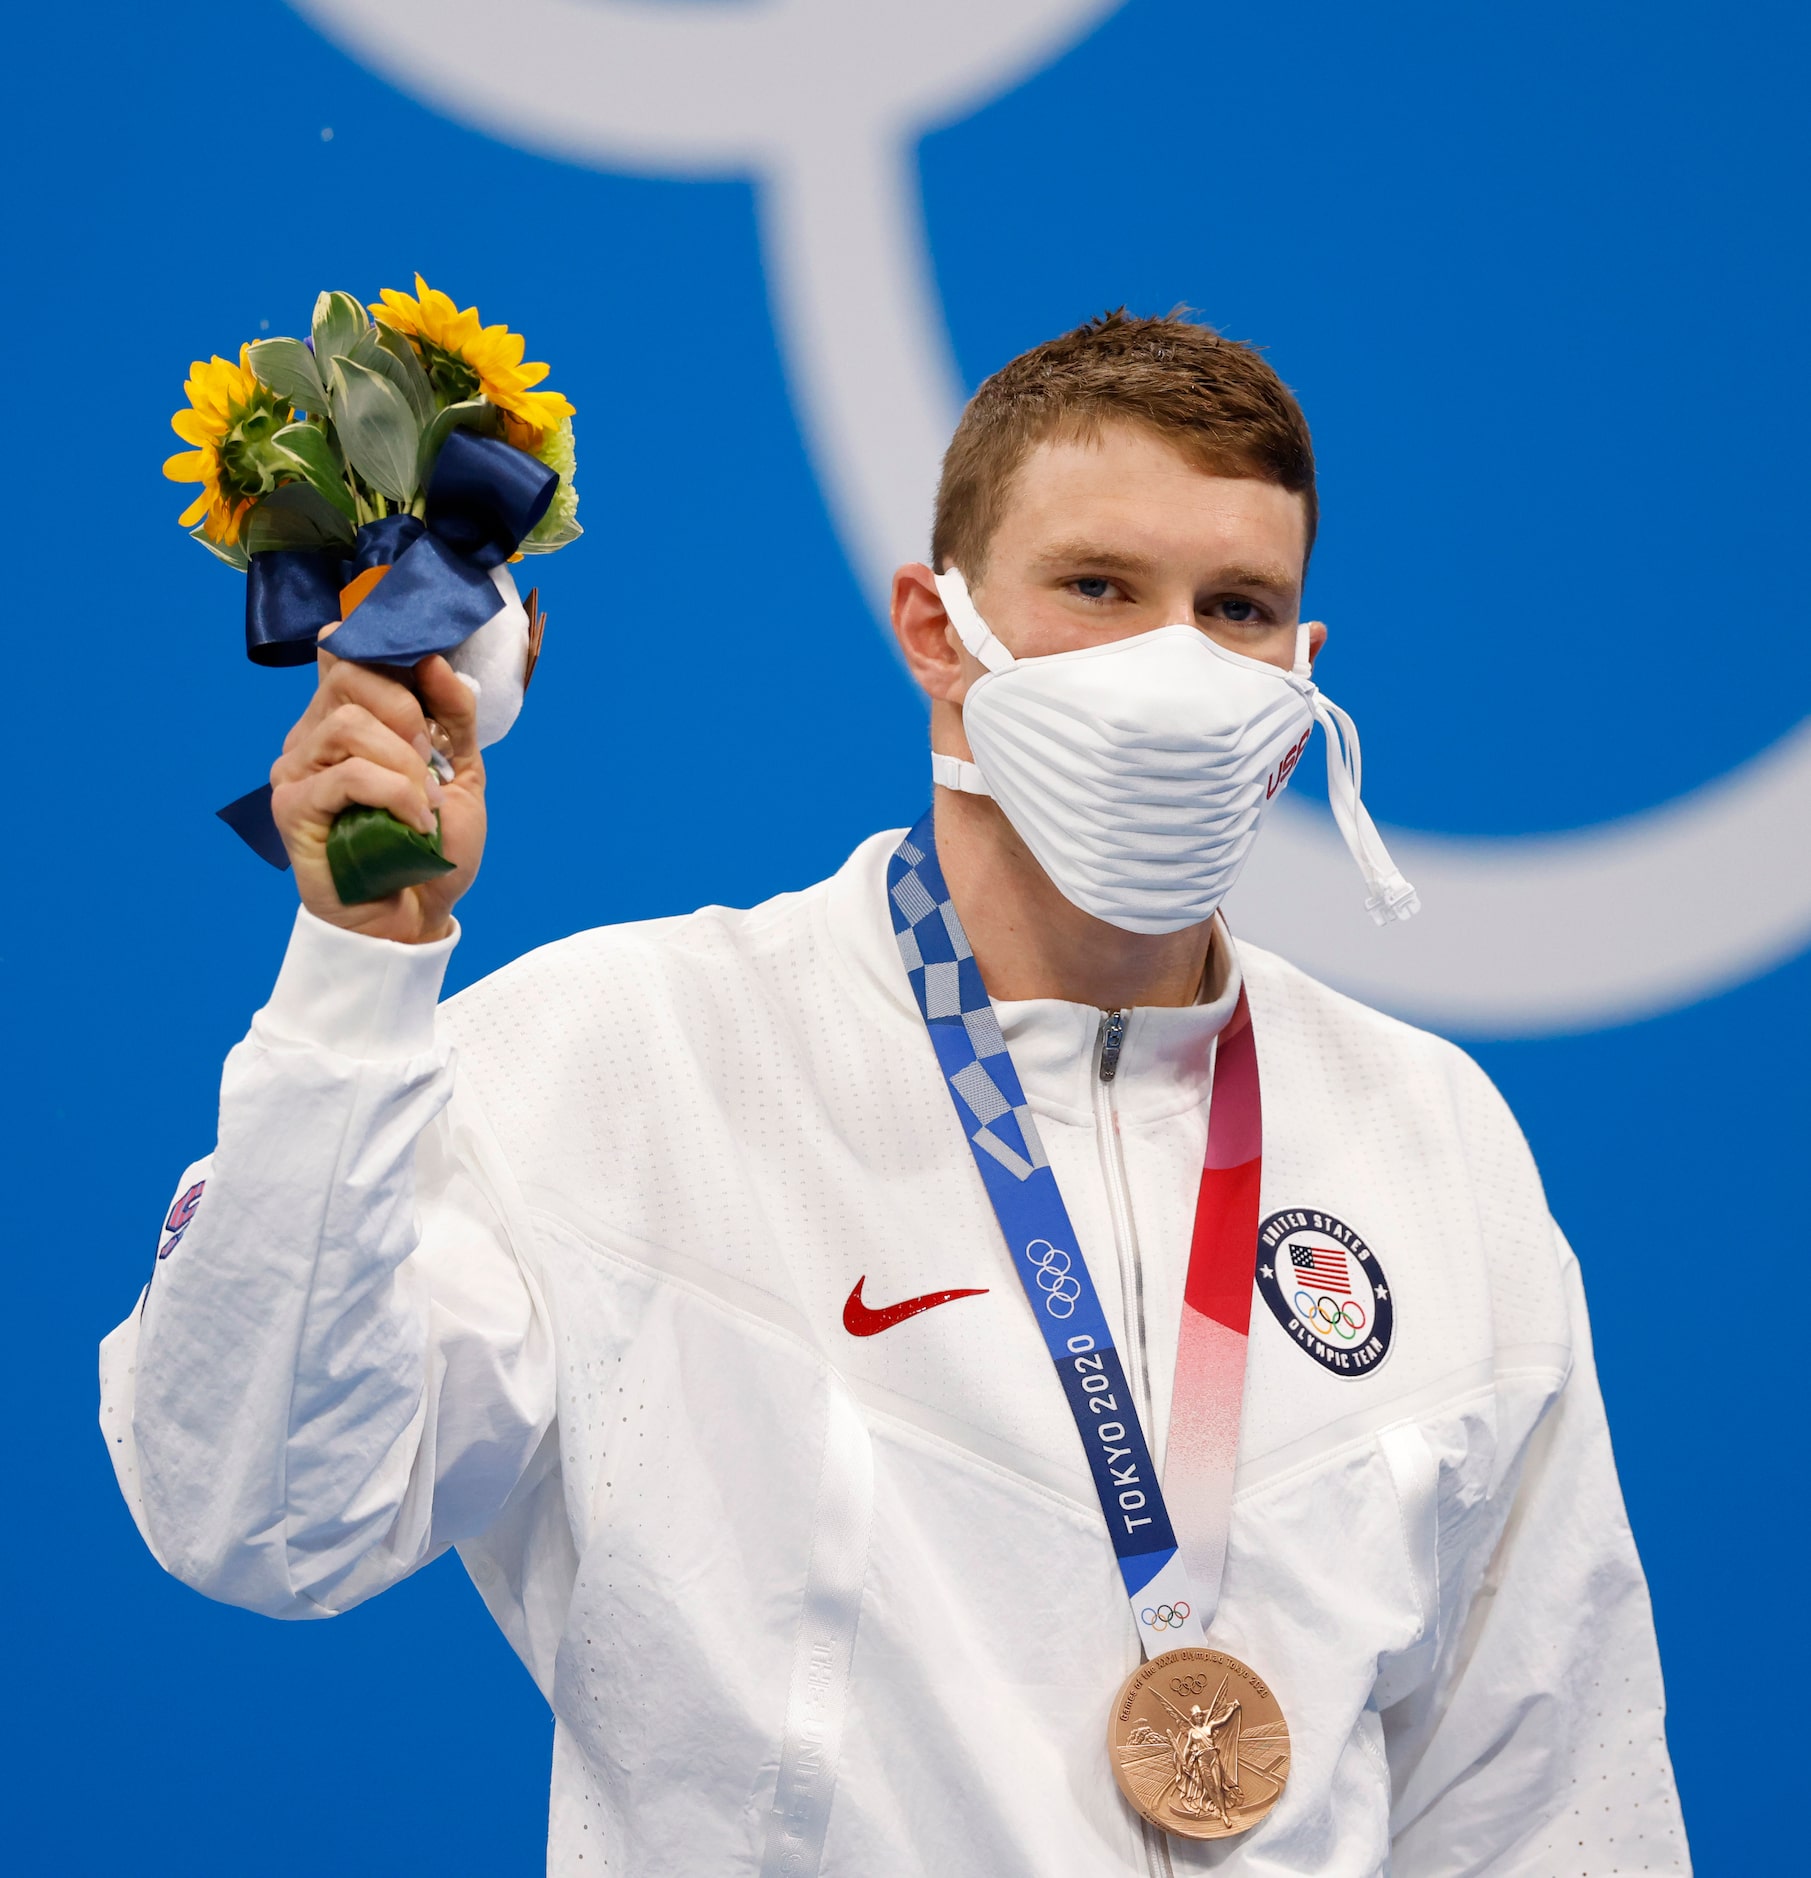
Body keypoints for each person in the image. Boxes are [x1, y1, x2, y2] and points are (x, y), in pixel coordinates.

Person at [101, 312, 1687, 1876]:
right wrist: (359, 969)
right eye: (1099, 588)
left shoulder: (1433, 1135)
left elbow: (1551, 1798)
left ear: (1304, 669)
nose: (1176, 668)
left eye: (1240, 609)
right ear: (936, 628)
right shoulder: (629, 1060)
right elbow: (257, 1507)